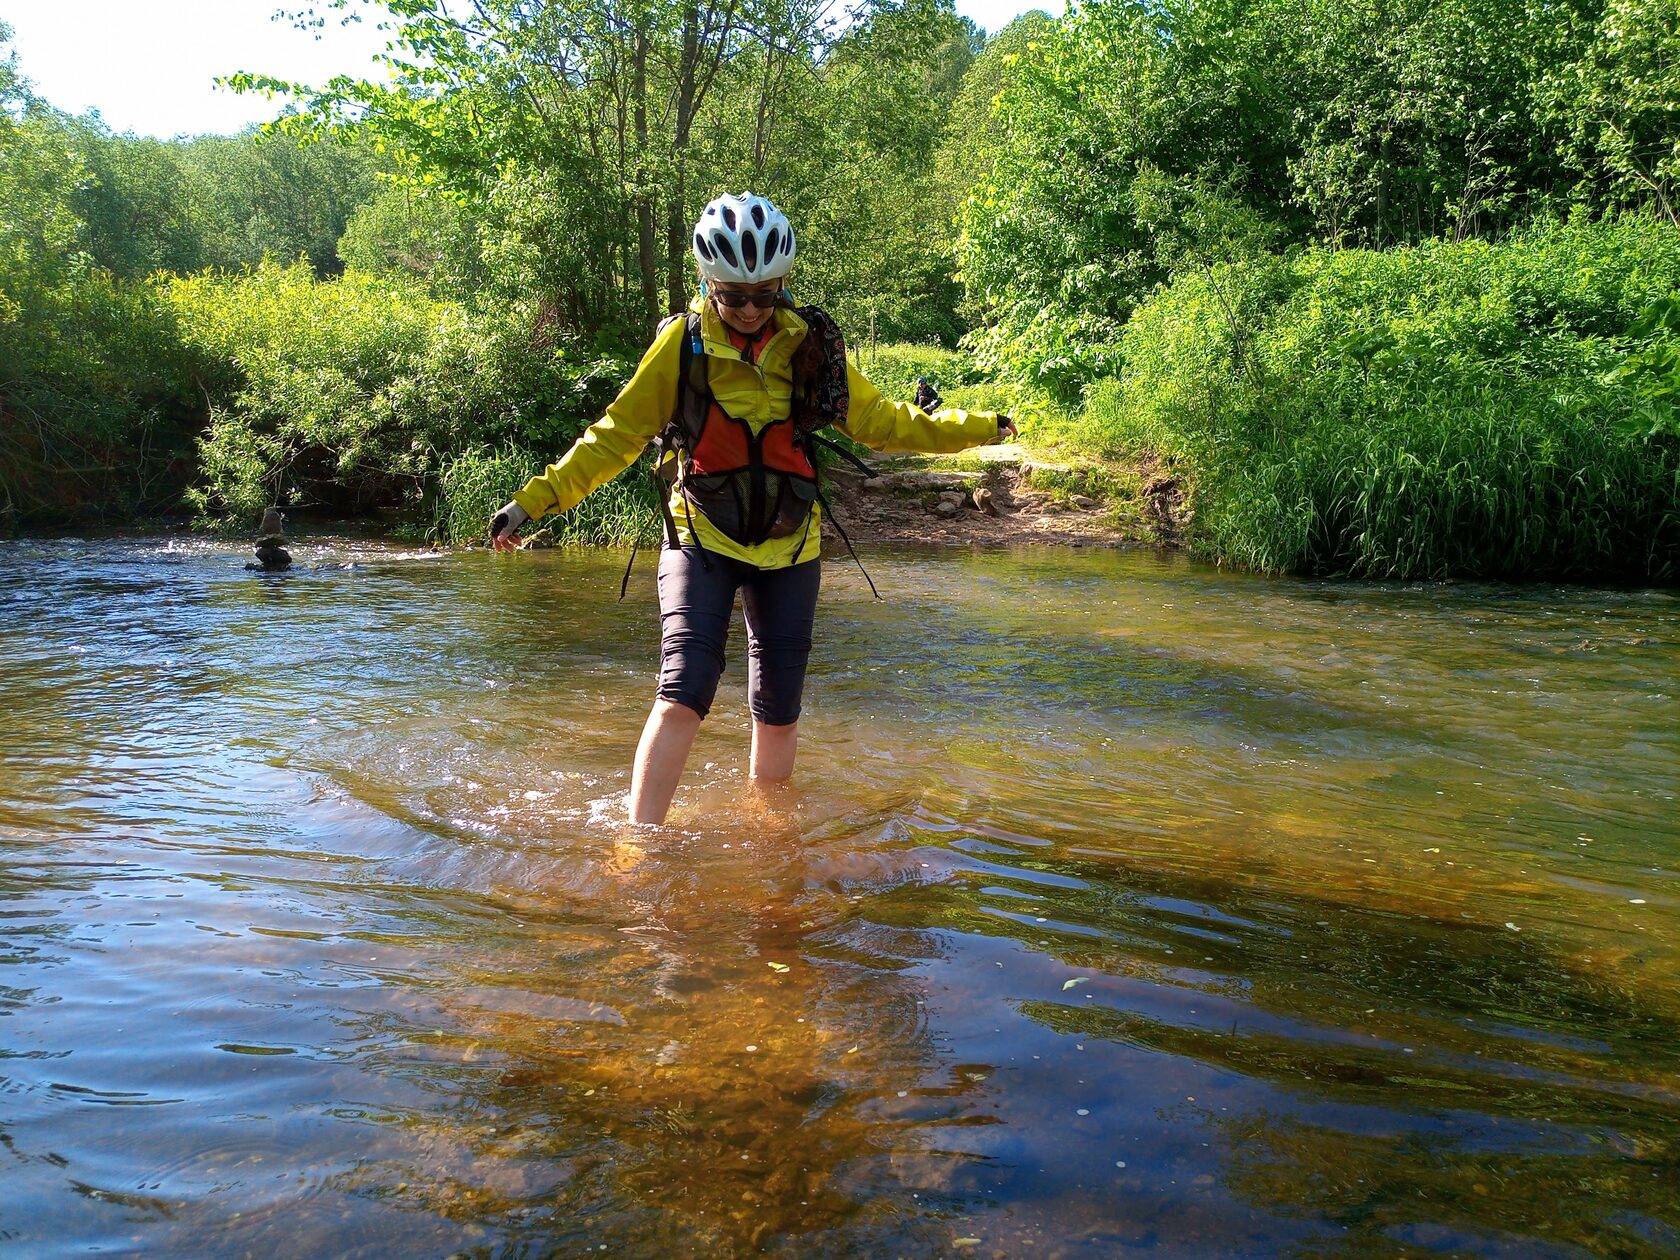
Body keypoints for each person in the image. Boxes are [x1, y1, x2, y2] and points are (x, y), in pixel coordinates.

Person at [488, 192, 1016, 825]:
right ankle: (639, 842)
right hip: (700, 537)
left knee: (779, 704)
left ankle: (768, 835)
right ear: (708, 284)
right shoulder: (680, 347)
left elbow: (881, 422)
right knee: (684, 686)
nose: (747, 309)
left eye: (763, 295)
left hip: (792, 544)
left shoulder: (812, 347)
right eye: (732, 295)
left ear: (782, 286)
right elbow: (617, 435)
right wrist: (531, 504)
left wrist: (982, 425)